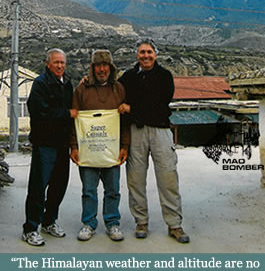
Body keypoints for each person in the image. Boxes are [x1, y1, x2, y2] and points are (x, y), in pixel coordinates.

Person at [118, 39, 190, 243]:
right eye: (142, 52)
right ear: (137, 55)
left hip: (160, 131)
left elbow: (159, 105)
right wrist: (88, 82)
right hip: (136, 132)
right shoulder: (128, 77)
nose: (145, 56)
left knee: (168, 177)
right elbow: (115, 93)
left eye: (149, 52)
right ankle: (141, 221)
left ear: (155, 55)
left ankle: (174, 224)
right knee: (135, 178)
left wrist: (132, 108)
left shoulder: (165, 76)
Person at [70, 49, 129, 242]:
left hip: (111, 150)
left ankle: (112, 223)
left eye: (105, 65)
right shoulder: (81, 90)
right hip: (88, 150)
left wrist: (124, 146)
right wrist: (74, 146)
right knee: (89, 190)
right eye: (98, 65)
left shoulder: (119, 89)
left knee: (113, 190)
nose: (102, 69)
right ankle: (89, 223)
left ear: (111, 68)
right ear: (92, 68)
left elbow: (125, 122)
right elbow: (74, 120)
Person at [22, 48, 77, 246]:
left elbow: (73, 109)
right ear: (48, 64)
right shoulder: (40, 84)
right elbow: (40, 112)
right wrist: (66, 114)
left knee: (58, 186)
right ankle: (30, 228)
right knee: (38, 187)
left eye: (62, 62)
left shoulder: (68, 83)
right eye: (56, 62)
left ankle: (49, 221)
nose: (60, 66)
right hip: (45, 144)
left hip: (62, 145)